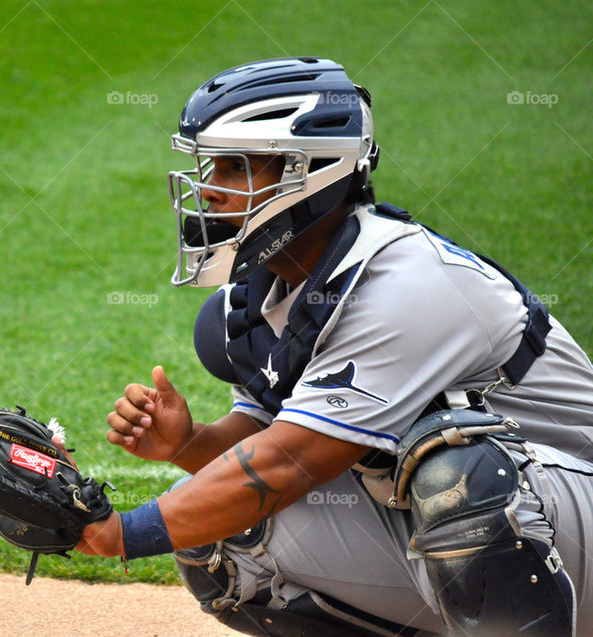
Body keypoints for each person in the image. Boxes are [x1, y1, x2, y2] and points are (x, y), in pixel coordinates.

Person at [75, 57, 593, 637]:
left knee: (459, 476)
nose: (210, 189)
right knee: (215, 527)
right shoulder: (273, 297)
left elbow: (291, 463)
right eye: (209, 165)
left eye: (233, 166)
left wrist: (121, 533)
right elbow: (266, 448)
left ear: (310, 171)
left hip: (571, 511)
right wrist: (190, 444)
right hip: (498, 527)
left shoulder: (405, 283)